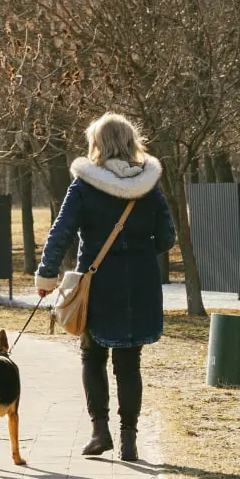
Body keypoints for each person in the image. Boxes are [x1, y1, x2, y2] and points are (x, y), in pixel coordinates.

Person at [35, 113, 176, 461]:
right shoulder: (150, 186)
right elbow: (167, 237)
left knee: (92, 355)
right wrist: (140, 252)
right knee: (130, 363)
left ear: (97, 144)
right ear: (131, 143)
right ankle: (129, 438)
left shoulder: (84, 187)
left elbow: (61, 234)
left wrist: (46, 275)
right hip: (141, 285)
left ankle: (100, 431)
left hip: (98, 284)